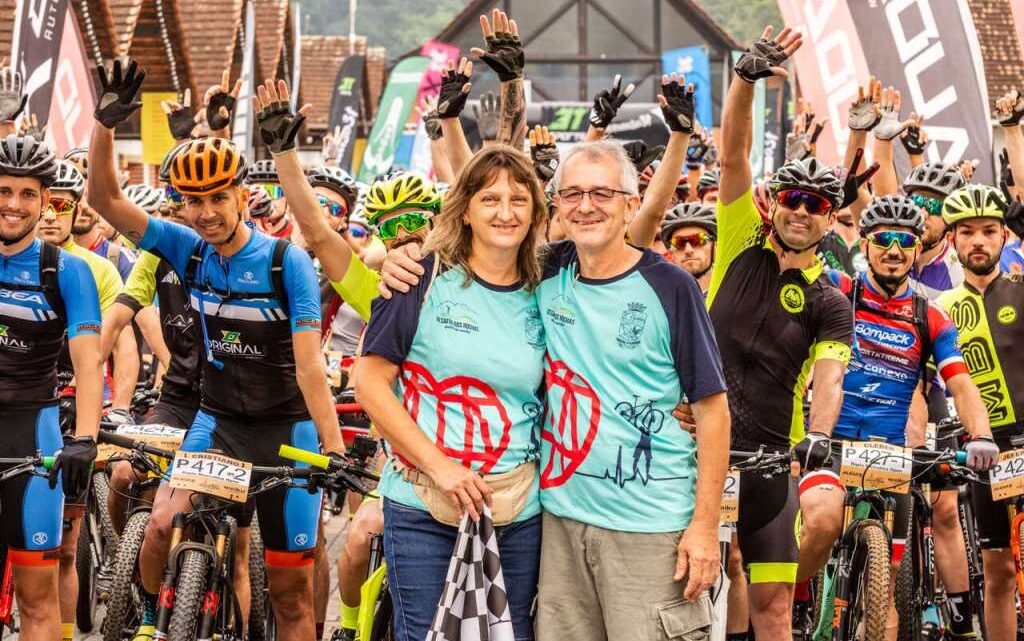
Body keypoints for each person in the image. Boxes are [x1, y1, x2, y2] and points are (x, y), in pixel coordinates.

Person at [87, 58, 345, 641]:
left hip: (289, 430)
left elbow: (309, 368)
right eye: (192, 201)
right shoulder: (185, 247)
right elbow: (104, 198)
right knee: (157, 529)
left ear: (242, 194)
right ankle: (156, 620)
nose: (205, 213)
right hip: (218, 423)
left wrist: (332, 451)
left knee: (292, 599)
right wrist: (105, 125)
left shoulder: (287, 261)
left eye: (218, 198)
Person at [254, 79, 444, 640]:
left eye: (419, 221)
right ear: (377, 234)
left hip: (480, 461)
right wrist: (286, 154)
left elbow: (491, 189)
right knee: (356, 543)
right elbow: (315, 228)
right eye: (391, 226)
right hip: (406, 460)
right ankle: (353, 629)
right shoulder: (378, 291)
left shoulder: (472, 279)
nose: (407, 234)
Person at [356, 144, 547, 641]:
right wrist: (439, 465)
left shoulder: (550, 286)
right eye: (489, 199)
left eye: (518, 200)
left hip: (517, 511)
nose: (505, 213)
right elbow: (370, 382)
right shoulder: (421, 275)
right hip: (426, 507)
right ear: (463, 209)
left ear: (536, 211)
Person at [799, 195, 994, 641]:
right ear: (864, 245)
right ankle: (794, 602)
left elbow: (960, 383)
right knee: (817, 527)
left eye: (905, 240)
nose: (894, 249)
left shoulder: (931, 316)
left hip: (892, 455)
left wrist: (981, 434)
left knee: (884, 591)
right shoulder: (838, 291)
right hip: (832, 442)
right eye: (883, 239)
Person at [715, 26, 853, 641]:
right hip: (696, 450)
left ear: (829, 219)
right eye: (792, 198)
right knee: (694, 587)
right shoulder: (740, 237)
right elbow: (732, 157)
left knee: (771, 604)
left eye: (815, 205)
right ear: (775, 203)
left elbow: (829, 379)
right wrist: (744, 81)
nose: (800, 210)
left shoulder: (830, 299)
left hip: (772, 458)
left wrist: (819, 437)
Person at [0, 134, 102, 641]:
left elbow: (88, 363)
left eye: (26, 193)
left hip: (31, 432)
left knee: (36, 600)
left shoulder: (67, 271)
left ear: (43, 201)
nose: (13, 204)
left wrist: (85, 437)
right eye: (3, 191)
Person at [35, 159, 131, 641]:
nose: (50, 215)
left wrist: (118, 407)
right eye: (44, 205)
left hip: (73, 404)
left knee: (65, 549)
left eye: (60, 206)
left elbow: (118, 351)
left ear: (75, 210)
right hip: (24, 403)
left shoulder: (94, 268)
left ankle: (68, 631)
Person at [936, 184, 1024, 641]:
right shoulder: (941, 309)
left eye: (989, 231)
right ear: (951, 239)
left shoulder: (1020, 288)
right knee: (999, 570)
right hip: (985, 448)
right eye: (966, 231)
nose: (978, 241)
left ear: (1005, 237)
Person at [100, 145, 202, 535]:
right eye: (175, 202)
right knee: (123, 474)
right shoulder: (156, 256)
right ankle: (125, 565)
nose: (182, 211)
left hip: (230, 403)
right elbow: (117, 321)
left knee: (235, 542)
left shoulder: (230, 251)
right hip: (177, 397)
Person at [659, 202, 716, 292]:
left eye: (697, 240)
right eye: (678, 243)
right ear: (671, 252)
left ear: (714, 245)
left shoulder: (736, 287)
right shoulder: (662, 295)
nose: (688, 250)